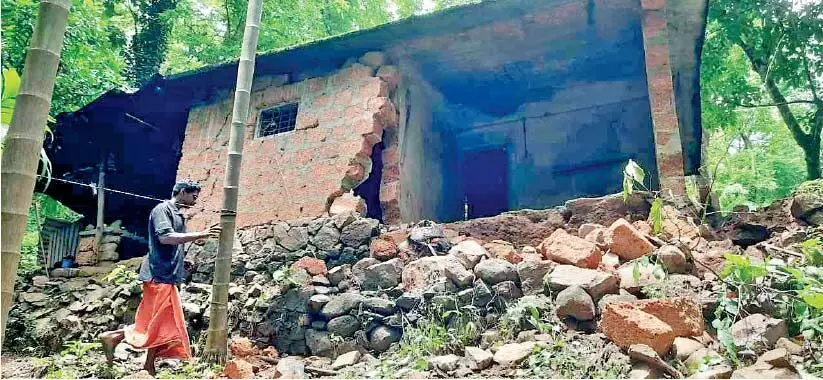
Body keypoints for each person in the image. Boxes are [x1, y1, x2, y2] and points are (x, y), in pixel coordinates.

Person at [99, 179, 219, 375]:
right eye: (193, 194)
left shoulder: (178, 215)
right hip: (158, 274)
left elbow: (173, 244)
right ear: (181, 192)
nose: (196, 198)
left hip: (169, 275)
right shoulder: (162, 210)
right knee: (156, 323)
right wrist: (200, 235)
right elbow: (165, 238)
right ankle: (114, 336)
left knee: (159, 322)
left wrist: (182, 262)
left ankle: (147, 363)